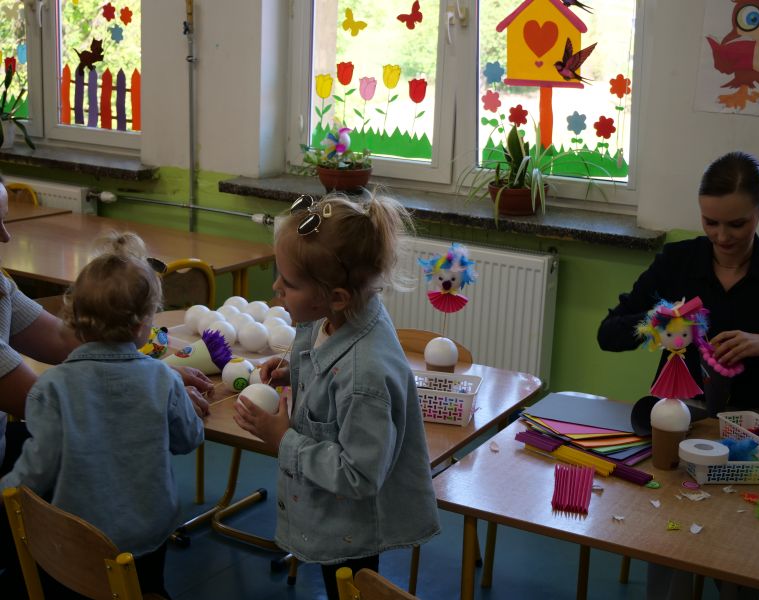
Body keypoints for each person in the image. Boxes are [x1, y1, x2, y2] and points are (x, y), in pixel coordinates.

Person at [597, 151, 759, 600]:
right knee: (673, 545)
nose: (722, 237)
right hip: (679, 421)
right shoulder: (678, 262)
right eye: (710, 222)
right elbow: (607, 334)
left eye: (737, 224)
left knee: (740, 557)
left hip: (752, 429)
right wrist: (657, 321)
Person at [233, 192, 441, 599]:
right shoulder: (335, 315)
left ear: (337, 296)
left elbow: (358, 475)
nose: (276, 288)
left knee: (349, 588)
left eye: (289, 283)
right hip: (333, 514)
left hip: (353, 526)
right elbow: (325, 362)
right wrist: (295, 371)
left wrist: (282, 440)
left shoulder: (365, 376)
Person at [0, 231, 205, 599]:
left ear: (72, 317)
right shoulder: (164, 379)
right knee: (145, 589)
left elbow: (38, 467)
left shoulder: (52, 388)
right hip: (148, 532)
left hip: (80, 536)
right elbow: (188, 439)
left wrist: (6, 490)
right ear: (144, 324)